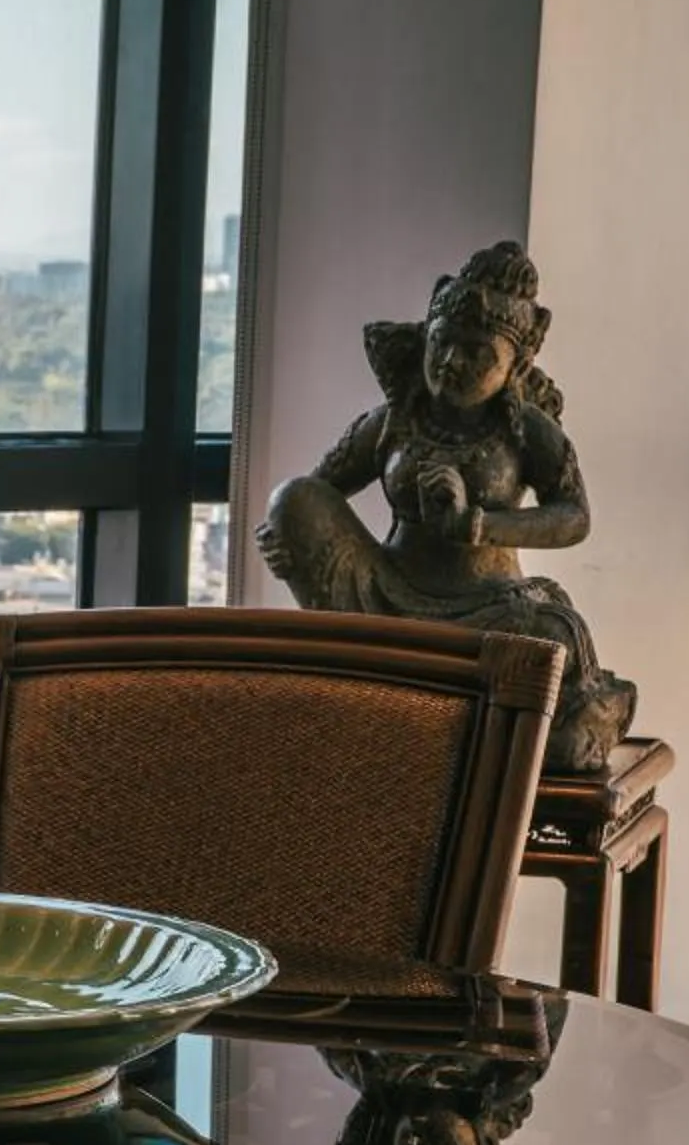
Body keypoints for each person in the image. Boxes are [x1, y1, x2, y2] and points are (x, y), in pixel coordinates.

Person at [257, 241, 635, 770]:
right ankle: (377, 681)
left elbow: (574, 517)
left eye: (478, 352)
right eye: (443, 343)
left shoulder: (527, 432)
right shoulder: (393, 421)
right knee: (291, 498)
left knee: (553, 637)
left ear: (516, 365)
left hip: (488, 604)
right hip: (390, 594)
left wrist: (477, 525)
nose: (453, 362)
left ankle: (418, 700)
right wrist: (285, 534)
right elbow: (317, 493)